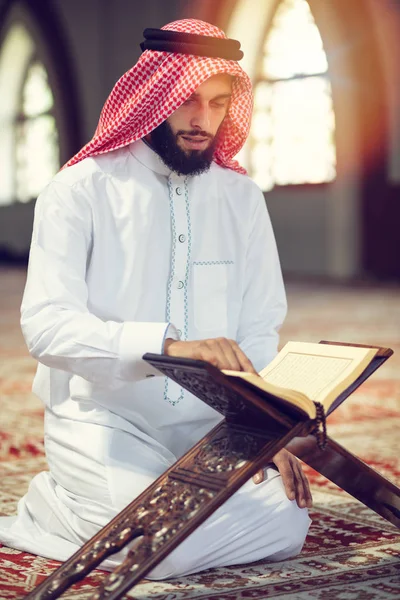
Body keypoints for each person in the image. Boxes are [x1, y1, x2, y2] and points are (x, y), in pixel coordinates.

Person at [0, 19, 312, 580]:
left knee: (291, 524)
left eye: (218, 104)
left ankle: (127, 520)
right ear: (152, 95)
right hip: (103, 420)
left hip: (210, 428)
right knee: (160, 550)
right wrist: (168, 346)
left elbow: (261, 324)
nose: (203, 121)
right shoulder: (81, 190)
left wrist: (267, 429)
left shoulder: (241, 198)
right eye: (187, 100)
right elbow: (45, 325)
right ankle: (53, 506)